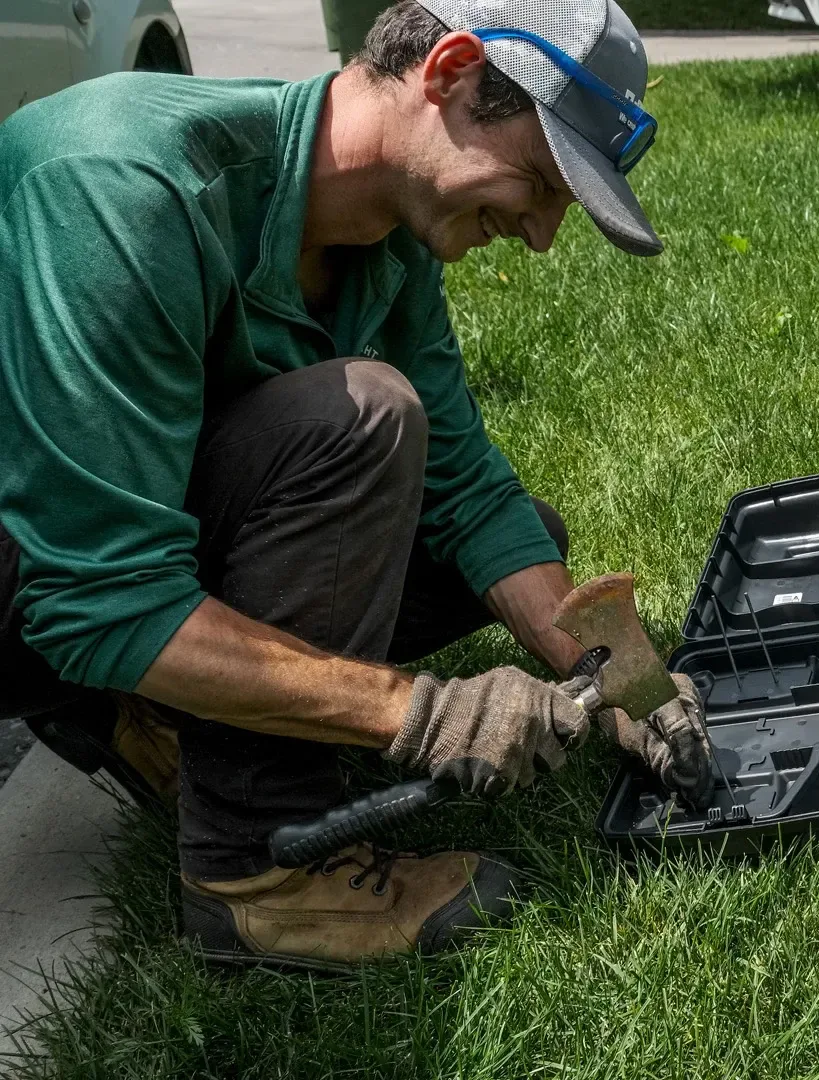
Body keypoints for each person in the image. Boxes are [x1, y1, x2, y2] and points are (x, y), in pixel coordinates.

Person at [0, 0, 706, 971]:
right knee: (363, 417)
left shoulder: (386, 246)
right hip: (37, 583)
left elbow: (470, 495)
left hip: (91, 542)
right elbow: (95, 596)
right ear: (451, 72)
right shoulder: (125, 182)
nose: (542, 235)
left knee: (511, 536)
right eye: (542, 182)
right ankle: (258, 876)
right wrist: (424, 714)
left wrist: (621, 675)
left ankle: (157, 708)